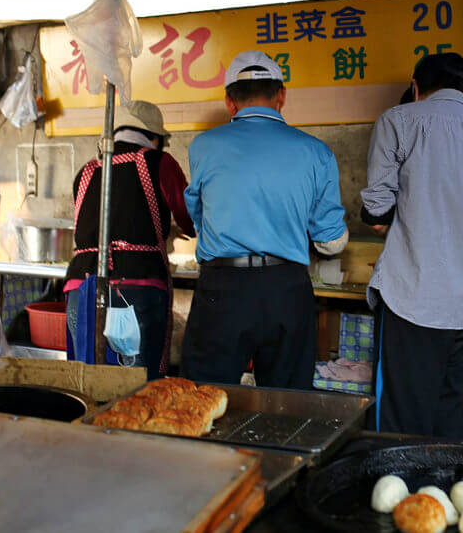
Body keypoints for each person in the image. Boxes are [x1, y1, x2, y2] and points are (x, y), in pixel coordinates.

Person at [360, 53, 463, 439]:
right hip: (462, 307)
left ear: (416, 89)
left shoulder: (397, 121)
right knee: (446, 412)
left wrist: (414, 220)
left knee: (398, 420)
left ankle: (400, 495)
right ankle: (446, 491)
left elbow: (376, 212)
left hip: (409, 299)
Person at [181, 50, 349, 389]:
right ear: (282, 95)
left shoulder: (204, 146)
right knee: (286, 405)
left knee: (202, 395)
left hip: (223, 288)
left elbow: (198, 216)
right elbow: (331, 240)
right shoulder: (316, 152)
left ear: (229, 102)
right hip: (286, 290)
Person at [64, 100, 195, 379]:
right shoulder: (160, 162)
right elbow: (190, 218)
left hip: (81, 289)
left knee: (88, 379)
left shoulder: (86, 171)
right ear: (156, 138)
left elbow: (100, 224)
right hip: (136, 289)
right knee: (136, 387)